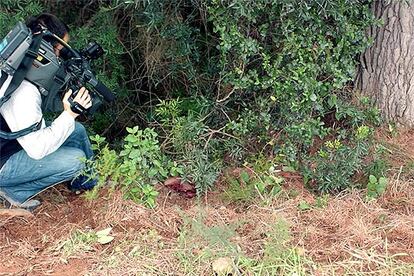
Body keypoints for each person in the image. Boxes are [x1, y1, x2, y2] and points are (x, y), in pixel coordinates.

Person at [0, 13, 97, 210]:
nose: (60, 59)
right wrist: (70, 113)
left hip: (12, 145)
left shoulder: (11, 66)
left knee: (76, 130)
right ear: (45, 50)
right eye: (59, 52)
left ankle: (88, 183)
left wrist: (69, 118)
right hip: (4, 162)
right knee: (75, 160)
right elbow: (37, 149)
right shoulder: (24, 92)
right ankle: (14, 191)